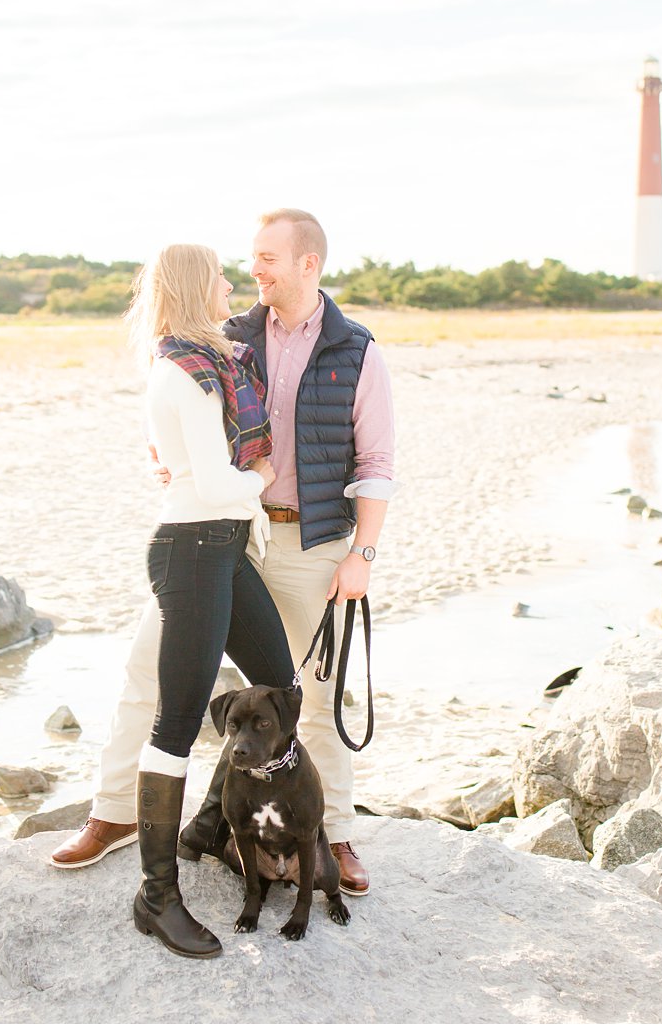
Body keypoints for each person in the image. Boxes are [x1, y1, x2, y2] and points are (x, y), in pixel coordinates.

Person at [50, 209, 397, 897]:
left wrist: (363, 552)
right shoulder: (227, 337)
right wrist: (172, 462)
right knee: (144, 672)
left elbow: (379, 462)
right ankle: (114, 812)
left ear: (309, 264)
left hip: (308, 541)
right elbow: (179, 415)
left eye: (268, 257)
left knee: (312, 695)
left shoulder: (358, 350)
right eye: (250, 257)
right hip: (224, 536)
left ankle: (334, 833)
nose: (254, 270)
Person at [120, 243, 296, 958]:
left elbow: (209, 474)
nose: (232, 282)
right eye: (222, 274)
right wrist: (263, 473)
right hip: (192, 550)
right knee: (179, 719)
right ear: (199, 287)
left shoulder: (211, 362)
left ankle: (207, 830)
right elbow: (219, 483)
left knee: (281, 688)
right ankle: (157, 894)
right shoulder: (181, 375)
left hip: (220, 547)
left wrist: (242, 479)